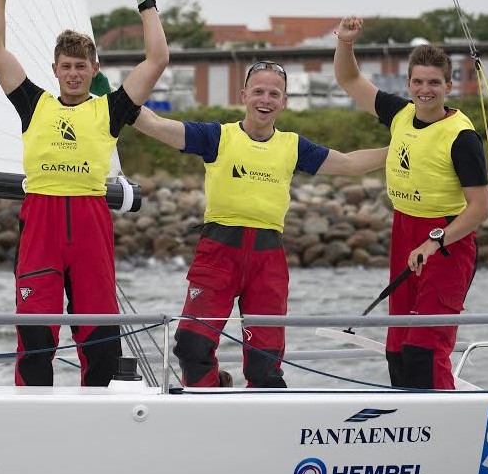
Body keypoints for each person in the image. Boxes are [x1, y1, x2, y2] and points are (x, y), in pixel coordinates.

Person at [132, 60, 387, 388]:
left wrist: (402, 148)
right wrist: (118, 103)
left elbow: (351, 164)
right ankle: (212, 393)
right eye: (258, 92)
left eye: (274, 93)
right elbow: (155, 125)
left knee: (264, 364)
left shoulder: (293, 147)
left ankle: (262, 419)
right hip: (219, 252)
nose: (265, 99)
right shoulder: (216, 137)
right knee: (191, 346)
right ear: (244, 95)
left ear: (284, 102)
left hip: (267, 258)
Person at [0, 0, 169, 386]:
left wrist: (145, 2)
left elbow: (157, 59)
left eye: (81, 67)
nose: (72, 74)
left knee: (100, 339)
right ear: (55, 70)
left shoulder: (110, 109)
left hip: (89, 224)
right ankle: (33, 414)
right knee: (35, 339)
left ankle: (98, 416)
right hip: (41, 224)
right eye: (66, 66)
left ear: (94, 70)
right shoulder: (34, 103)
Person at [333, 16, 488, 390]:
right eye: (418, 82)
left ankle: (443, 426)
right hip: (404, 233)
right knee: (398, 348)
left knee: (425, 348)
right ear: (408, 84)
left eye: (434, 82)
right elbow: (349, 80)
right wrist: (345, 43)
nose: (425, 89)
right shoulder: (399, 113)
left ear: (449, 86)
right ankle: (409, 428)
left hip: (445, 243)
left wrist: (434, 241)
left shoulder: (461, 137)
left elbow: (480, 208)